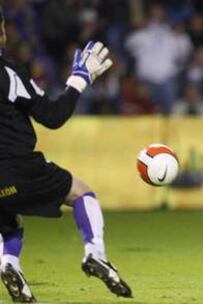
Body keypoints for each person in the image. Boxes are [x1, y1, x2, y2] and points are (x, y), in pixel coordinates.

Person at [0, 7, 132, 303]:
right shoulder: (8, 73)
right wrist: (79, 80)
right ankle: (95, 253)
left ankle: (9, 264)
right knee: (82, 193)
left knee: (8, 219)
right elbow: (53, 116)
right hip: (17, 166)